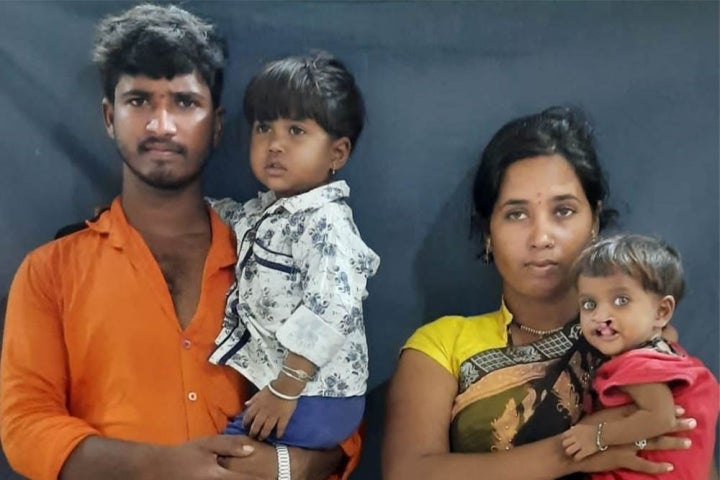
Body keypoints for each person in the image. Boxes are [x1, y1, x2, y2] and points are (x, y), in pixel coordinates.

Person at [0, 5, 360, 480]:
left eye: (185, 103)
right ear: (109, 117)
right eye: (139, 101)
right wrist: (163, 466)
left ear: (216, 124)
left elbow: (337, 400)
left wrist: (285, 469)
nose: (161, 125)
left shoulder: (277, 247)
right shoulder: (52, 271)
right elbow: (25, 425)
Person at [382, 106, 697, 480]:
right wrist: (576, 450)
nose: (541, 238)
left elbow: (688, 455)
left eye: (563, 211)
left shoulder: (637, 338)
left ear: (594, 221)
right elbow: (408, 473)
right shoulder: (442, 346)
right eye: (516, 214)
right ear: (488, 232)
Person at [206, 53, 380, 448]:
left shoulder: (326, 222)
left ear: (337, 153)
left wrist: (286, 388)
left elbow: (332, 307)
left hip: (316, 395)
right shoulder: (274, 212)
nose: (275, 145)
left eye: (296, 131)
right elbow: (231, 215)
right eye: (264, 128)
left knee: (223, 460)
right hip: (293, 390)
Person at [561, 234, 718, 479]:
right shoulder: (666, 351)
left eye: (621, 300)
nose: (601, 315)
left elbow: (661, 418)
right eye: (589, 304)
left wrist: (596, 436)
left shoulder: (636, 366)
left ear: (662, 311)